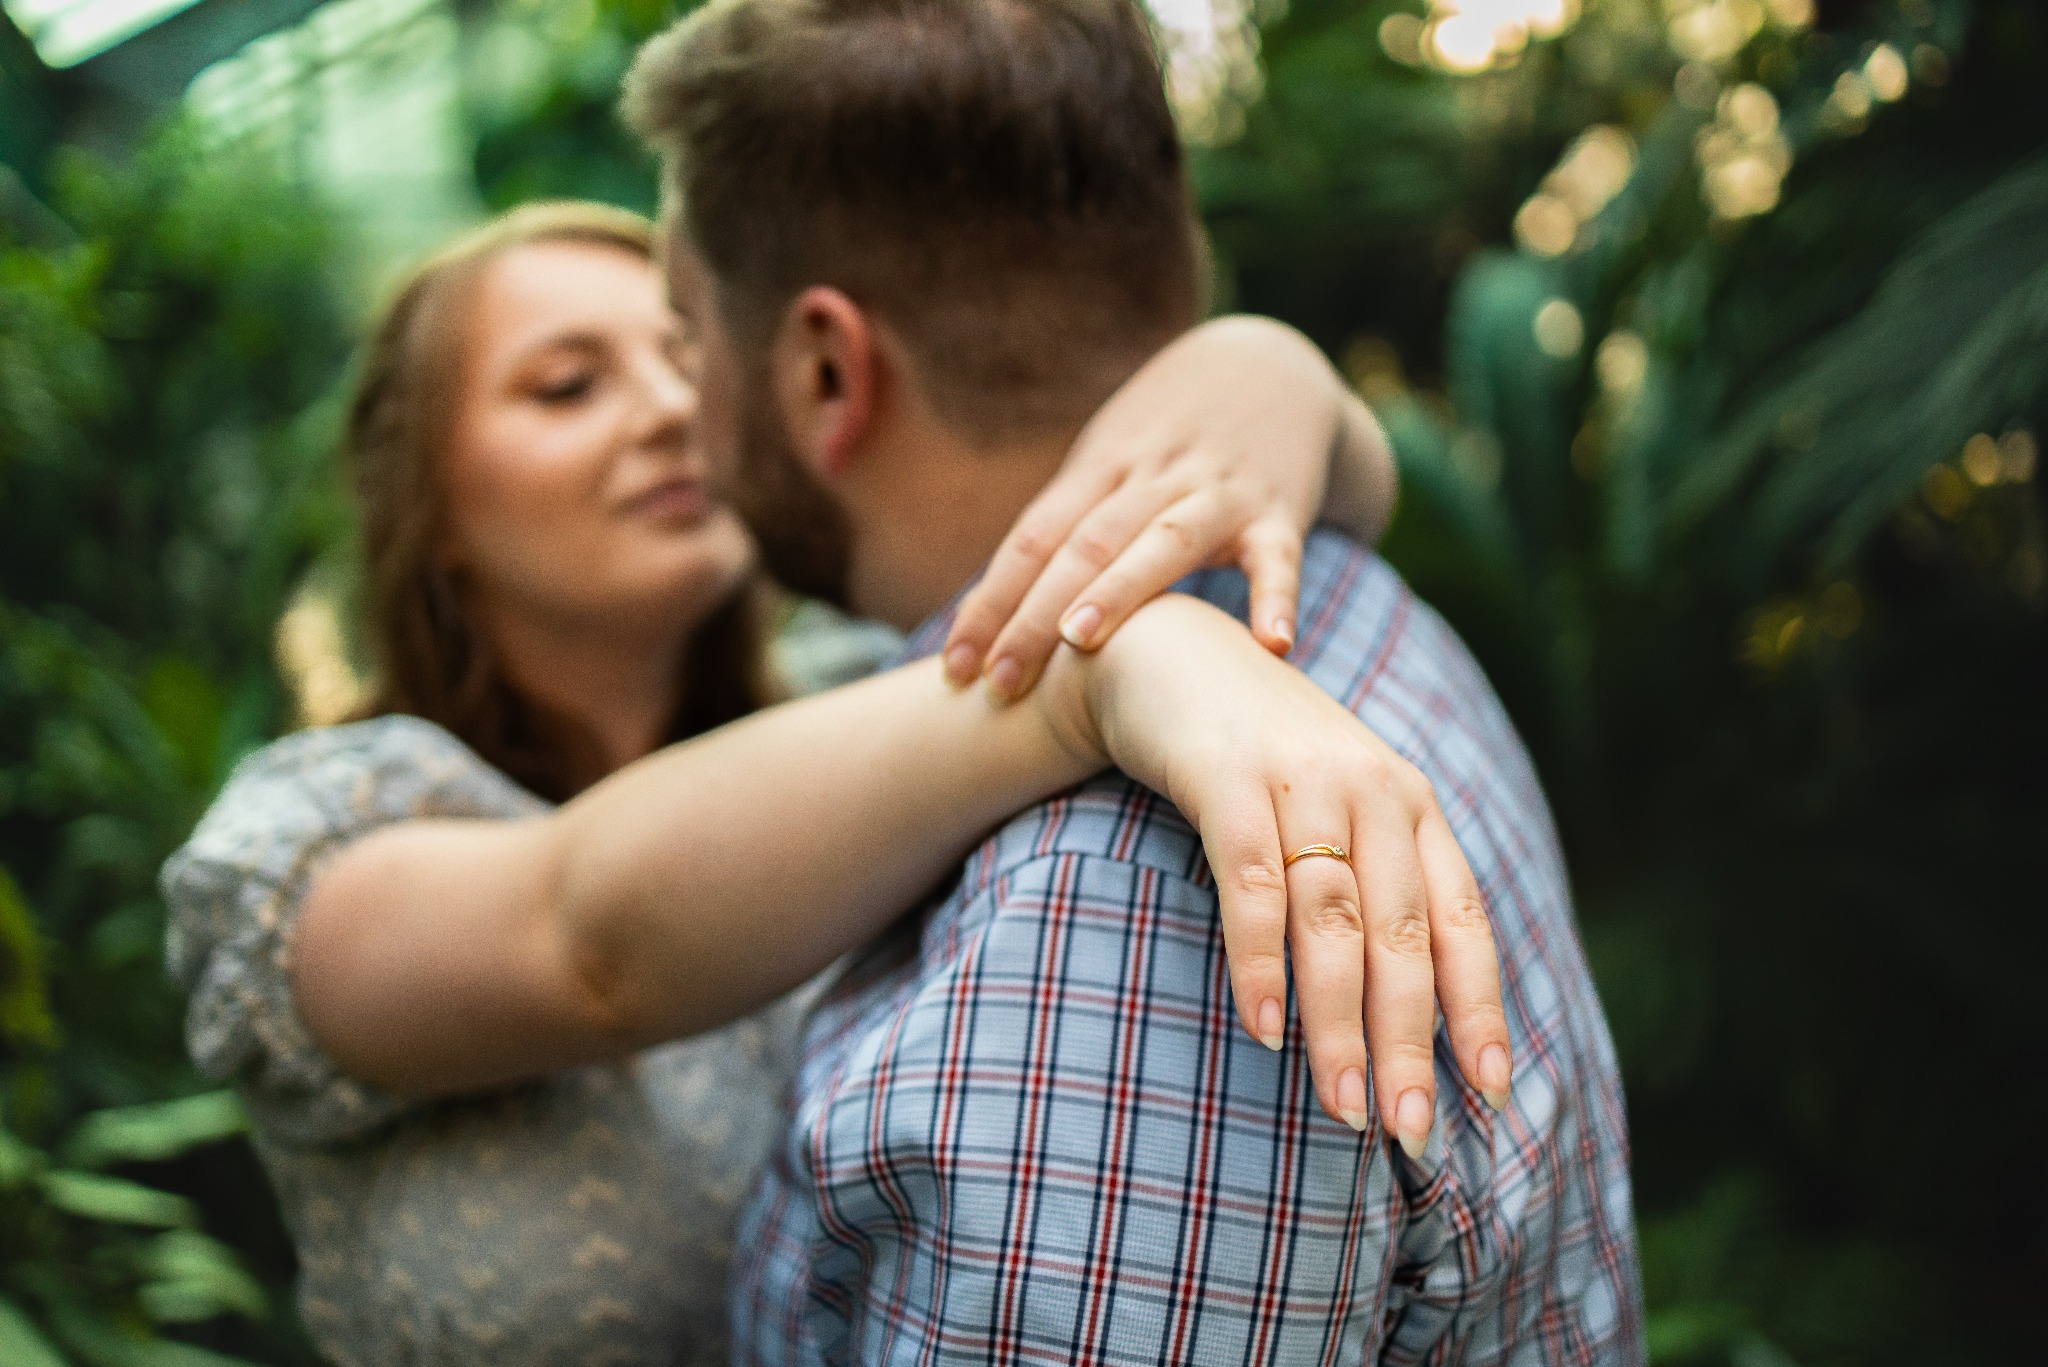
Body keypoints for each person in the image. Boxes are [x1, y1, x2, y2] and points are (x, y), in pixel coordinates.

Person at [161, 198, 1504, 1365]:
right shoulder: (309, 841)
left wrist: (1266, 369)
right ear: (432, 508)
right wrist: (1109, 666)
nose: (669, 408)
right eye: (568, 385)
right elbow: (583, 938)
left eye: (687, 357)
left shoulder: (876, 684)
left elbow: (1317, 495)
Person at [619, 0, 1645, 1360]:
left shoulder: (1102, 932)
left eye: (687, 338)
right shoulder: (1349, 598)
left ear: (825, 371)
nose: (671, 406)